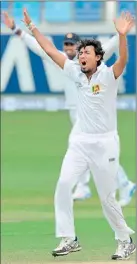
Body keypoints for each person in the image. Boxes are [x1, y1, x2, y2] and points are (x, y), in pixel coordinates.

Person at [21, 9, 136, 260]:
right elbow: (51, 51)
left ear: (98, 58)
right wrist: (31, 27)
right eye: (80, 52)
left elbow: (123, 61)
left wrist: (123, 35)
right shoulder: (75, 72)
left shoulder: (107, 74)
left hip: (105, 143)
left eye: (86, 53)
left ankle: (125, 240)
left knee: (107, 197)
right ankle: (69, 238)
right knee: (63, 185)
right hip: (80, 142)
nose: (81, 55)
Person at [2, 12, 136, 206]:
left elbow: (115, 45)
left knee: (79, 147)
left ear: (80, 47)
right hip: (76, 112)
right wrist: (17, 29)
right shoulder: (65, 63)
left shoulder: (91, 59)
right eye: (66, 44)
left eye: (73, 45)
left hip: (91, 116)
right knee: (90, 153)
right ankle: (111, 185)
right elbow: (41, 48)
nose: (70, 48)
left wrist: (122, 32)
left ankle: (93, 186)